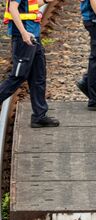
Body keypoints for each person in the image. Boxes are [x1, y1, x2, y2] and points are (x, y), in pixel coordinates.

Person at [0, 0, 59, 128]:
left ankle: (39, 116)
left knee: (38, 75)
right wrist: (23, 33)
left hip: (34, 35)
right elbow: (13, 8)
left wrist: (44, 1)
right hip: (24, 36)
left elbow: (29, 5)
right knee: (18, 76)